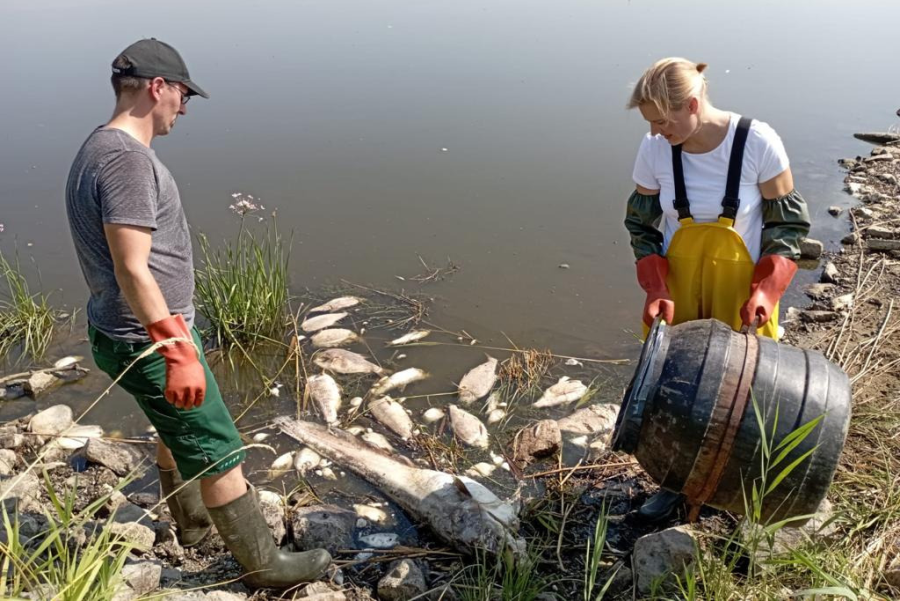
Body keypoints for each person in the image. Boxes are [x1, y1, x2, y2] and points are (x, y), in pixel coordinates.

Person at [65, 38, 331, 587]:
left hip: (123, 331)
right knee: (217, 450)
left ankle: (190, 524)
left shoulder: (96, 146)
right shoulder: (125, 162)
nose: (183, 108)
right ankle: (265, 568)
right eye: (182, 94)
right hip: (150, 340)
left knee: (174, 425)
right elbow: (133, 268)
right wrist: (178, 349)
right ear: (156, 87)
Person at [623, 57, 810, 521]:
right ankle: (672, 483)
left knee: (751, 392)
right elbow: (641, 226)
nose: (657, 132)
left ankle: (741, 491)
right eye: (650, 123)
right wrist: (654, 286)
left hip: (741, 288)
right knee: (673, 391)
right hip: (678, 288)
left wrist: (767, 290)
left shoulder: (757, 142)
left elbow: (788, 226)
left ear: (693, 102)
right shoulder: (653, 150)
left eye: (664, 121)